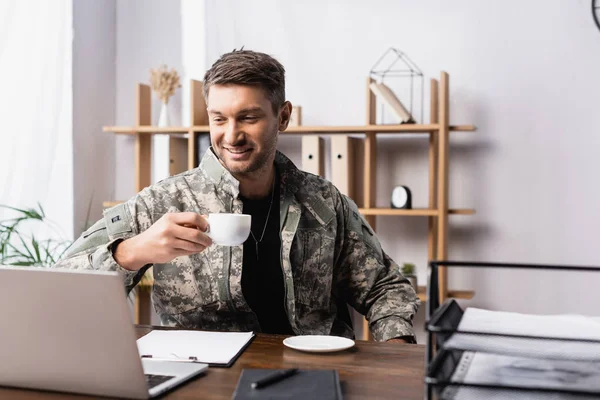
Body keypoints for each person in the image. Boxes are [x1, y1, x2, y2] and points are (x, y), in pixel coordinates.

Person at [55, 50, 419, 343]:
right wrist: (132, 252)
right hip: (202, 380)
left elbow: (385, 288)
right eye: (219, 119)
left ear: (283, 116)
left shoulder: (324, 202)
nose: (232, 135)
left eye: (248, 117)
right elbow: (61, 290)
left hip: (313, 375)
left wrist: (394, 357)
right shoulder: (161, 202)